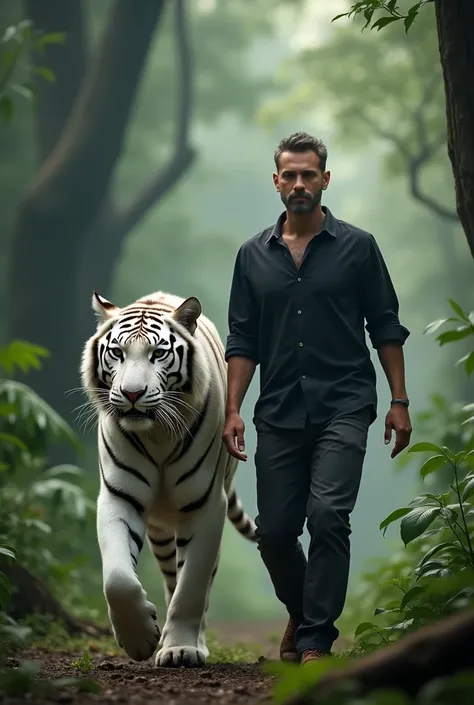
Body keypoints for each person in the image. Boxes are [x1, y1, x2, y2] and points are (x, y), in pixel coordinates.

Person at [222, 132, 412, 666]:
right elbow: (243, 340)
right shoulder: (251, 256)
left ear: (325, 179)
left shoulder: (359, 247)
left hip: (345, 403)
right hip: (279, 408)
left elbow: (387, 326)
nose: (300, 183)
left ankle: (314, 642)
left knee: (328, 515)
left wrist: (399, 400)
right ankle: (304, 609)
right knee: (276, 533)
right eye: (291, 175)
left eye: (310, 174)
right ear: (277, 182)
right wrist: (233, 408)